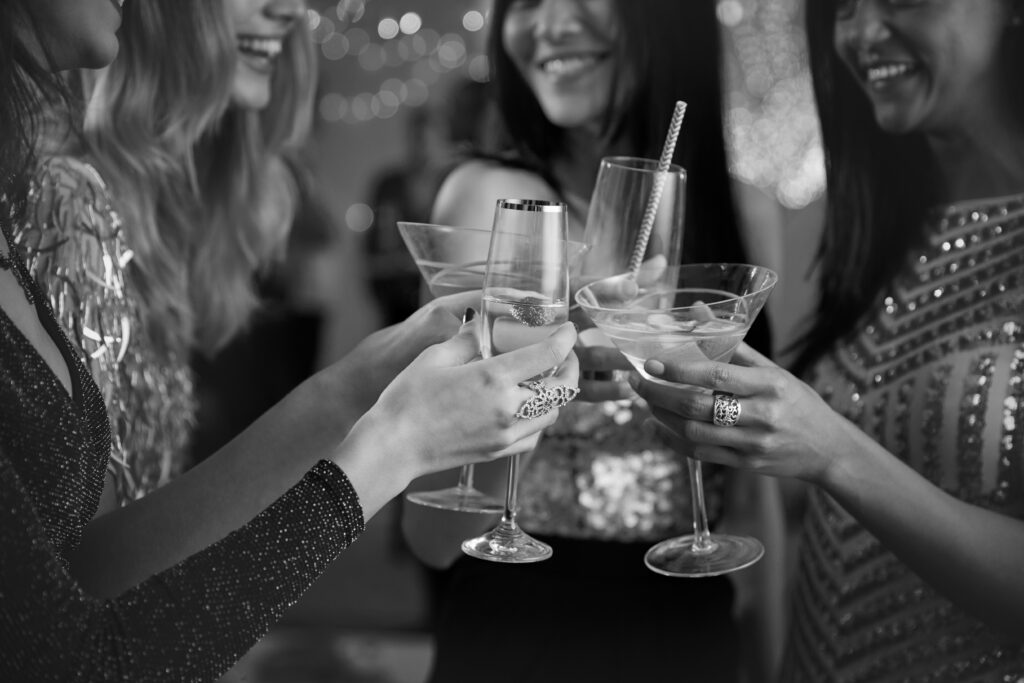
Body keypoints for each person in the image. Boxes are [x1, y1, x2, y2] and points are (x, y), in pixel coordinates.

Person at [0, 1, 580, 679]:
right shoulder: (64, 205)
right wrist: (392, 444)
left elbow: (88, 561)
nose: (290, 7)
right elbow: (79, 647)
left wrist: (358, 385)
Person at [631, 0, 1024, 680]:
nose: (866, 34)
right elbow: (820, 501)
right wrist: (733, 424)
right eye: (843, 8)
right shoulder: (875, 227)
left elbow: (836, 454)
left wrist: (831, 450)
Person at [401, 1, 785, 681]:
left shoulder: (739, 212)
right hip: (520, 625)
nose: (549, 23)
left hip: (693, 624)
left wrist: (777, 663)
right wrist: (543, 376)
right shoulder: (498, 202)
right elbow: (429, 534)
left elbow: (755, 489)